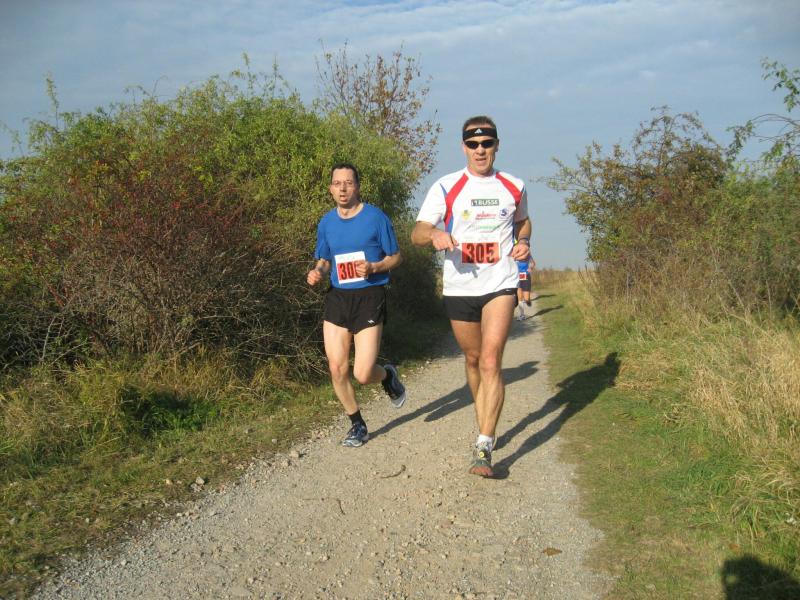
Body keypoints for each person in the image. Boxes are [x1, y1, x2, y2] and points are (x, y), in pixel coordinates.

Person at [411, 116, 531, 477]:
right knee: (474, 358)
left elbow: (523, 221)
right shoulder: (446, 186)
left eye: (487, 143)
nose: (480, 150)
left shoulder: (514, 185)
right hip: (460, 286)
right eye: (473, 144)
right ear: (464, 147)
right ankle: (485, 420)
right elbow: (417, 232)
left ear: (497, 145)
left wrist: (524, 241)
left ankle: (484, 443)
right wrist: (434, 235)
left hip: (500, 282)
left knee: (491, 360)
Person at [307, 162, 407, 448]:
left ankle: (387, 375)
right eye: (337, 183)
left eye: (348, 183)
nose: (342, 189)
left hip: (369, 296)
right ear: (330, 188)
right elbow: (325, 259)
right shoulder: (326, 222)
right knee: (336, 368)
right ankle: (357, 424)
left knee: (362, 374)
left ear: (358, 187)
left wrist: (375, 267)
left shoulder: (376, 218)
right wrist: (318, 272)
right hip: (338, 297)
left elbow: (396, 257)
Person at [516, 255, 535, 321]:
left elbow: (533, 263)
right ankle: (522, 315)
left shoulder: (527, 255)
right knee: (520, 297)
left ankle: (528, 300)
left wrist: (531, 268)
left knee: (526, 298)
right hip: (517, 277)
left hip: (526, 276)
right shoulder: (514, 255)